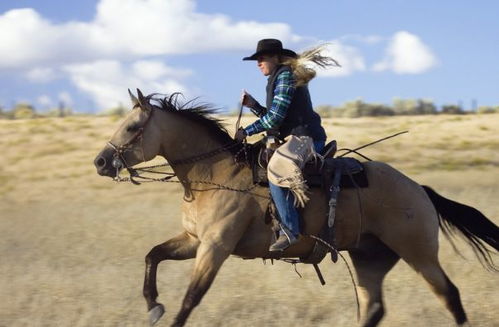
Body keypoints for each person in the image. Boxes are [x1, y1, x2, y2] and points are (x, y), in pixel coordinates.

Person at [235, 38, 339, 252]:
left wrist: (246, 131)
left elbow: (274, 120)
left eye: (261, 58)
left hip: (305, 138)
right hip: (293, 137)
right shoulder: (277, 77)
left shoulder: (284, 77)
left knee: (276, 168)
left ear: (275, 58)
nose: (258, 63)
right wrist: (254, 106)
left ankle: (290, 230)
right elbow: (277, 118)